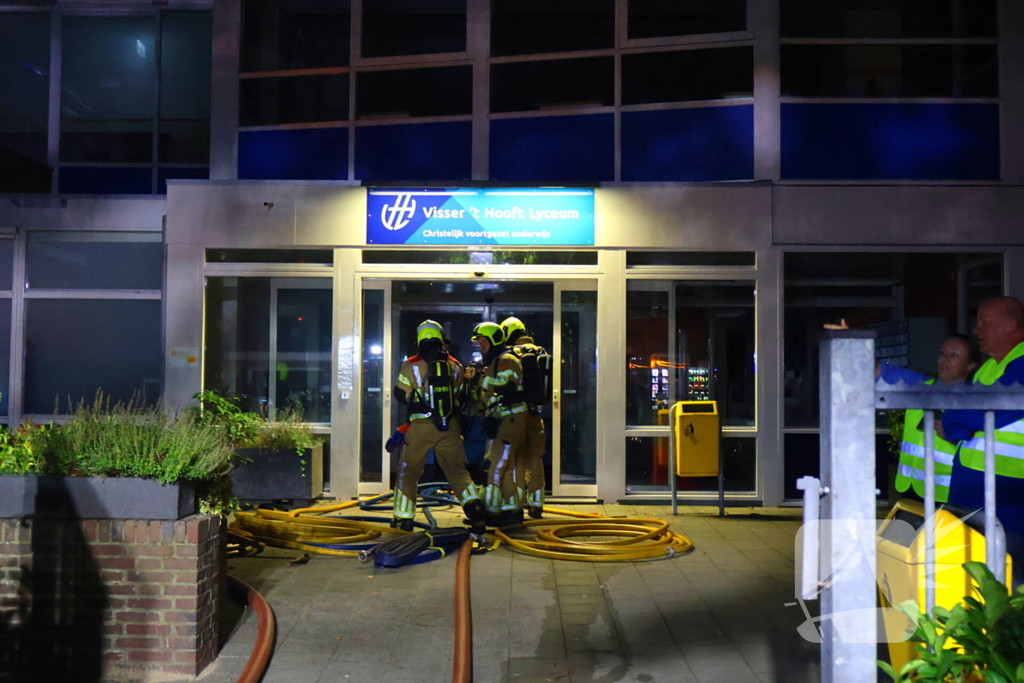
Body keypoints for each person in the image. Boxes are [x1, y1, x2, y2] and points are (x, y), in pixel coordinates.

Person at [392, 319, 487, 534]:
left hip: (420, 426)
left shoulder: (411, 364)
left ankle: (404, 519)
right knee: (458, 473)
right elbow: (462, 396)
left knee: (409, 472)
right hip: (449, 427)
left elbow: (401, 395)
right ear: (440, 336)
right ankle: (476, 509)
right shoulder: (455, 364)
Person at [941, 297, 1024, 542]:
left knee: (1006, 576)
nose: (976, 330)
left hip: (1008, 505)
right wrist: (965, 419)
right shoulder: (990, 367)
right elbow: (952, 420)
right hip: (978, 499)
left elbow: (982, 416)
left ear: (1010, 326)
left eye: (984, 323)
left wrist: (966, 419)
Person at [875, 335, 980, 503]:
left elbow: (986, 448)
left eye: (954, 355)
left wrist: (955, 438)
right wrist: (853, 341)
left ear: (970, 365)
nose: (944, 359)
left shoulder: (977, 401)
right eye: (943, 353)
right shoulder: (920, 386)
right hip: (909, 487)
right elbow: (879, 371)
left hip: (945, 494)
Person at [471, 321, 528, 527]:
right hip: (503, 420)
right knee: (503, 467)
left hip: (509, 420)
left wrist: (484, 382)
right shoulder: (497, 360)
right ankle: (512, 511)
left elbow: (507, 384)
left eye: (482, 342)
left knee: (494, 467)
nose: (480, 347)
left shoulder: (506, 359)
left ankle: (493, 513)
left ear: (492, 341)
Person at [500, 316, 549, 519]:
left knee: (517, 459)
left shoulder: (512, 354)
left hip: (517, 415)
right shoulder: (541, 352)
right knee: (535, 459)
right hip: (537, 415)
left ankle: (517, 506)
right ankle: (536, 505)